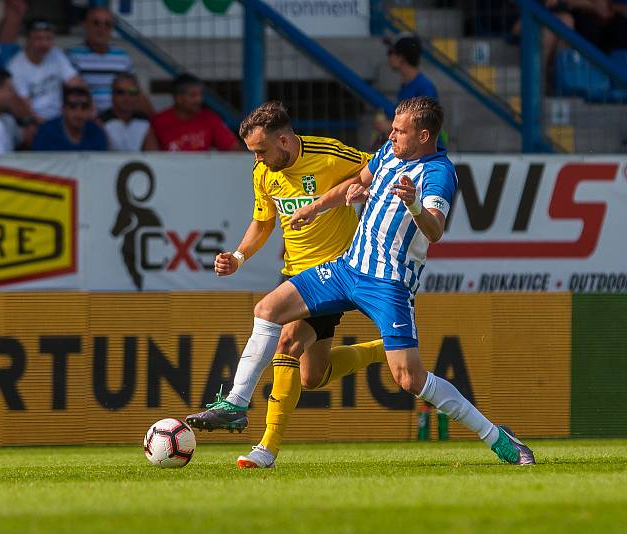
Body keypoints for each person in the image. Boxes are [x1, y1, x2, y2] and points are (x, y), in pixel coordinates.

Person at [187, 96, 536, 466]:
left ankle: (495, 435)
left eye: (400, 131)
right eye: (393, 128)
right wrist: (316, 206)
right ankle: (237, 404)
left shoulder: (438, 173)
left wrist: (414, 205)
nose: (391, 135)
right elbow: (357, 180)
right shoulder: (388, 152)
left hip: (389, 283)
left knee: (409, 378)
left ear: (423, 135)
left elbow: (434, 231)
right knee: (268, 310)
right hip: (347, 268)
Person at [185, 101, 387, 469]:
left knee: (287, 341)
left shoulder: (328, 154)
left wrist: (357, 190)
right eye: (253, 153)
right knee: (313, 376)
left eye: (262, 150)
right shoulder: (263, 172)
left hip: (334, 273)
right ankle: (382, 351)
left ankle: (264, 445)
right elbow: (262, 223)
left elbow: (377, 168)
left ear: (284, 140)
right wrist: (239, 256)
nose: (258, 159)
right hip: (294, 272)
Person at [66, 6, 153, 115]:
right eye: (96, 23)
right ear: (85, 25)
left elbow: (133, 90)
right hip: (86, 119)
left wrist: (152, 119)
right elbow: (67, 95)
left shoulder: (122, 57)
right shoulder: (72, 55)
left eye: (107, 24)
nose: (102, 29)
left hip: (118, 117)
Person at [8, 19, 83, 124]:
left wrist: (88, 109)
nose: (44, 44)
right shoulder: (15, 66)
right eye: (38, 39)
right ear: (27, 40)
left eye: (49, 38)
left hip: (61, 119)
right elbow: (24, 108)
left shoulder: (56, 54)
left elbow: (77, 84)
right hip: (32, 122)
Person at [151, 73, 240, 152]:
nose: (199, 99)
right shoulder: (158, 121)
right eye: (193, 95)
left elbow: (234, 149)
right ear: (179, 98)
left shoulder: (209, 118)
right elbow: (151, 156)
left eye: (200, 95)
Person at [32, 86, 108, 151]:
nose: (78, 113)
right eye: (72, 106)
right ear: (63, 109)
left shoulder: (96, 132)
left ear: (91, 110)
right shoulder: (46, 133)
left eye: (84, 107)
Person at [99, 73, 158, 151]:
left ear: (138, 95)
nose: (127, 97)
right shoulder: (100, 122)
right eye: (120, 92)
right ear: (112, 95)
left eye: (132, 92)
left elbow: (153, 156)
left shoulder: (144, 122)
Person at [387, 35, 438, 103]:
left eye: (390, 52)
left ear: (402, 56)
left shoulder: (424, 88)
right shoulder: (407, 85)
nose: (389, 57)